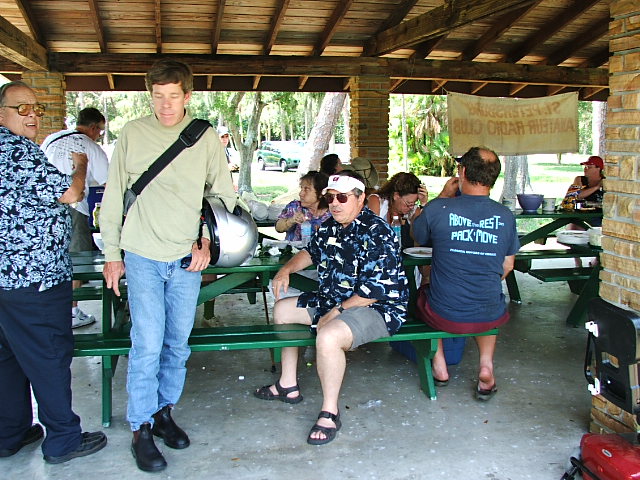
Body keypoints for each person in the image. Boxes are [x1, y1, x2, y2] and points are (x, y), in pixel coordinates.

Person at [99, 60, 236, 472]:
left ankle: (163, 413)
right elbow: (113, 195)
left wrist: (207, 241)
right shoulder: (132, 133)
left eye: (173, 96)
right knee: (147, 344)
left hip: (186, 259)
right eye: (157, 96)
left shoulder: (204, 137)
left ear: (187, 96)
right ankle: (140, 426)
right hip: (141, 254)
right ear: (150, 96)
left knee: (177, 343)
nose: (165, 105)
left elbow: (223, 197)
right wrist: (112, 254)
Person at [254, 171, 409, 445]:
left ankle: (330, 412)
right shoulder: (330, 226)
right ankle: (287, 383)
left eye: (342, 198)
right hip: (333, 299)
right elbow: (310, 252)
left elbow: (375, 290)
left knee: (328, 336)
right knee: (282, 310)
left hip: (377, 308)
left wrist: (335, 313)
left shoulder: (377, 231)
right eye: (330, 198)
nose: (335, 203)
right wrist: (285, 270)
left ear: (360, 198)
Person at [0, 81, 107, 463]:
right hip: (36, 278)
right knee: (49, 356)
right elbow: (71, 193)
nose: (32, 115)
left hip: (7, 279)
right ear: (1, 113)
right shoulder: (18, 150)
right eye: (21, 108)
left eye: (36, 108)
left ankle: (10, 433)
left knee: (9, 357)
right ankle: (63, 438)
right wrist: (81, 165)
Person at [412, 147, 519, 401]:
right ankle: (486, 367)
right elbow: (508, 266)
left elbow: (418, 235)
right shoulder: (505, 216)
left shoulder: (439, 208)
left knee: (421, 294)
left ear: (463, 172)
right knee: (487, 300)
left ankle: (440, 366)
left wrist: (442, 196)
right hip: (490, 313)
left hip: (444, 313)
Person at [41, 107, 110, 328]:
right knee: (76, 259)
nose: (99, 135)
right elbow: (108, 184)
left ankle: (50, 309)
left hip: (43, 210)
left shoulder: (51, 139)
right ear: (93, 127)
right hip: (73, 208)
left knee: (50, 258)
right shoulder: (90, 147)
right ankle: (71, 312)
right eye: (100, 131)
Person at [367, 172, 428, 248]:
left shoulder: (413, 209)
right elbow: (371, 234)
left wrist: (423, 204)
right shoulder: (377, 201)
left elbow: (419, 239)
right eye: (408, 203)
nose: (411, 207)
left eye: (414, 203)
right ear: (396, 196)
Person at [275, 171, 331, 241]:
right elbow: (278, 228)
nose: (301, 193)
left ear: (320, 193)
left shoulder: (332, 213)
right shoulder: (295, 207)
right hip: (293, 248)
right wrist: (291, 220)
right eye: (301, 188)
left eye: (306, 189)